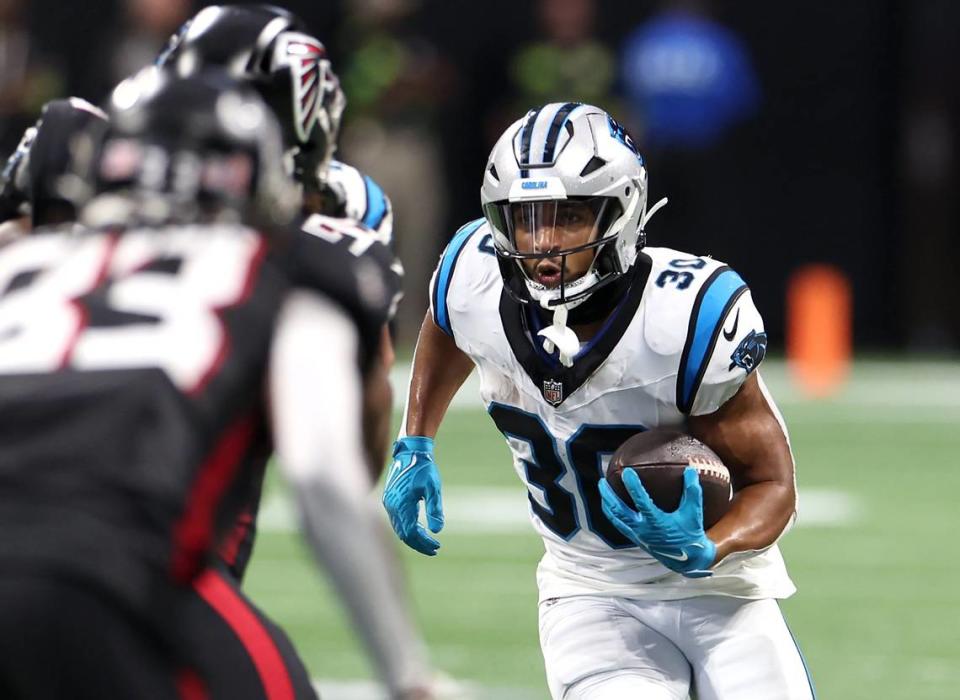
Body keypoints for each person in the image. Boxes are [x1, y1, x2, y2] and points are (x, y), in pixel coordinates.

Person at [0, 69, 413, 699]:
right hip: (97, 575)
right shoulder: (279, 270)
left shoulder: (16, 264)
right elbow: (324, 478)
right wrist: (410, 679)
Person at [383, 102, 816, 699]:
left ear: (621, 212)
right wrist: (416, 440)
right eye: (524, 220)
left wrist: (707, 546)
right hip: (589, 591)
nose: (541, 244)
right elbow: (446, 323)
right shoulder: (472, 273)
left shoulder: (685, 316)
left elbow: (773, 485)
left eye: (567, 219)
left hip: (723, 592)